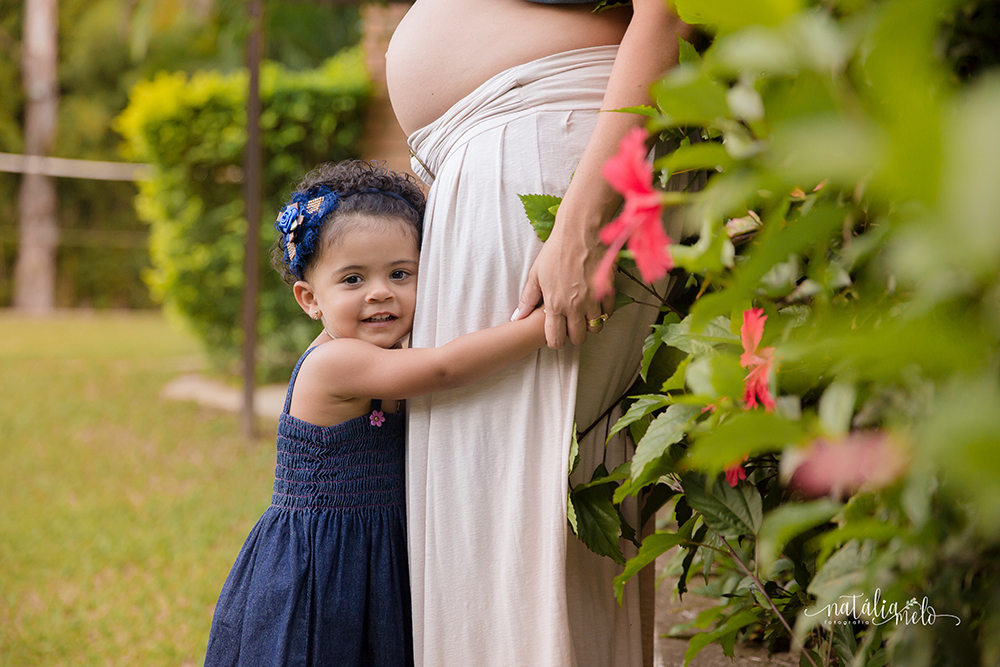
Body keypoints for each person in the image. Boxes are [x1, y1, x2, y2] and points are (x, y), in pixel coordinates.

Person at [385, 2, 688, 666]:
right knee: (500, 539)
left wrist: (579, 222)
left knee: (523, 543)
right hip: (521, 151)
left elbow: (669, 8)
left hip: (559, 161)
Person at [203, 160, 546, 667]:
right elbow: (444, 370)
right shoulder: (335, 362)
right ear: (310, 299)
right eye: (353, 279)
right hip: (321, 567)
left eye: (400, 274)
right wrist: (544, 326)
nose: (380, 291)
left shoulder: (381, 354)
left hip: (371, 553)